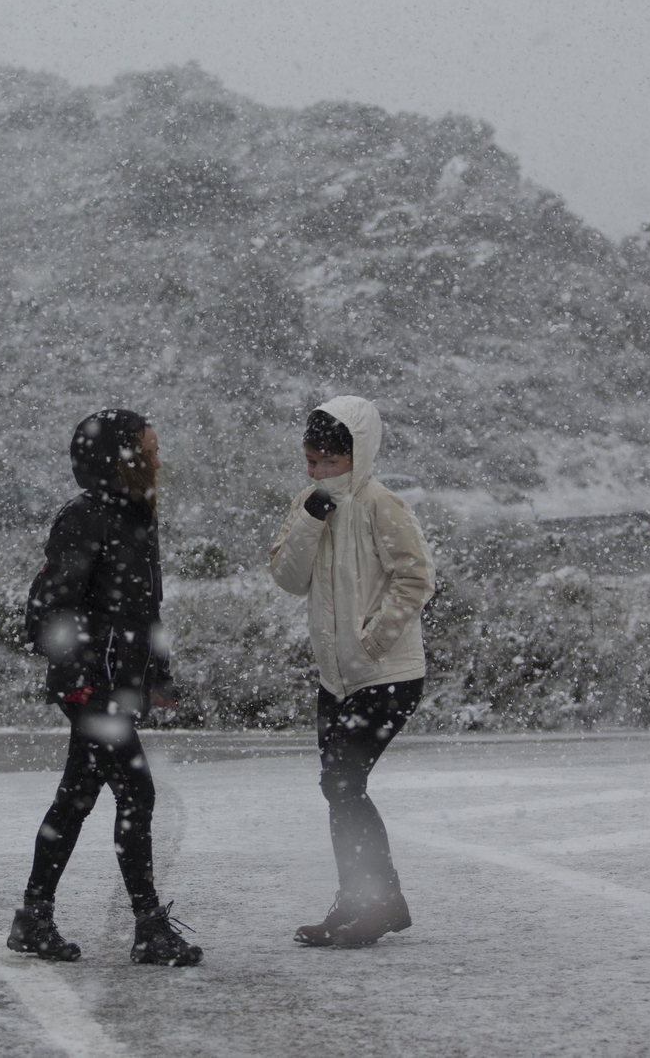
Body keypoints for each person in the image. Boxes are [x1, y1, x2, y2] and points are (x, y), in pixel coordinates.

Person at [8, 409, 202, 967]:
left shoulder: (136, 514)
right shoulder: (84, 516)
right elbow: (48, 606)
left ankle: (34, 917)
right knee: (137, 794)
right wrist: (77, 678)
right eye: (151, 448)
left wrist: (156, 672)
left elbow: (146, 607)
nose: (159, 458)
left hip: (120, 683)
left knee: (76, 796)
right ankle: (148, 926)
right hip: (93, 687)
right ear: (123, 457)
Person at [269, 395, 436, 947]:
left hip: (387, 675)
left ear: (357, 455)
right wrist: (312, 517)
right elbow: (289, 577)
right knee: (339, 789)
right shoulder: (307, 504)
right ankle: (358, 899)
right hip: (334, 678)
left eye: (330, 461)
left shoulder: (381, 505)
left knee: (341, 783)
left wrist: (372, 641)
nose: (319, 471)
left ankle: (379, 901)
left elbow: (416, 577)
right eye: (311, 460)